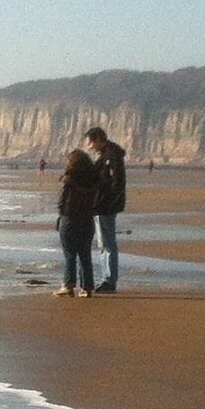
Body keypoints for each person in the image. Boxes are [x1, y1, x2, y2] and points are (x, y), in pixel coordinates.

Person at [85, 125, 127, 294]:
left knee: (107, 244)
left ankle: (109, 280)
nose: (89, 146)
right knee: (103, 243)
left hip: (105, 207)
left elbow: (118, 183)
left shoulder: (112, 157)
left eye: (90, 142)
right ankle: (107, 278)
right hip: (101, 205)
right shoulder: (106, 155)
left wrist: (108, 204)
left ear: (97, 140)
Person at [54, 148, 100, 296]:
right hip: (87, 219)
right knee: (85, 254)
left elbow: (62, 200)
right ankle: (87, 287)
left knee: (70, 254)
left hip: (70, 218)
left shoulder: (69, 179)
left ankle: (68, 285)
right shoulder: (94, 180)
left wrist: (60, 215)